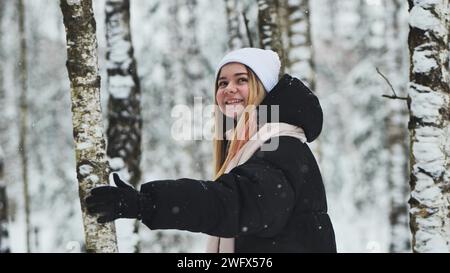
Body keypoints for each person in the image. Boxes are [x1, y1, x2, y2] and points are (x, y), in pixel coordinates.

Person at [86, 47, 337, 253]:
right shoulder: (254, 148)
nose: (228, 89)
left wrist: (147, 203)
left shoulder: (282, 146)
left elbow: (234, 203)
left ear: (265, 90)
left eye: (242, 80)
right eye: (222, 83)